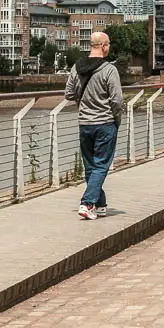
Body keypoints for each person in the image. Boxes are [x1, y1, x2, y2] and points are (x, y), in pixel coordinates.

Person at [63, 32, 124, 221]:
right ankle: (88, 202)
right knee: (101, 165)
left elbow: (69, 93)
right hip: (105, 122)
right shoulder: (109, 69)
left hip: (85, 123)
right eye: (109, 45)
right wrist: (117, 119)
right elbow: (117, 99)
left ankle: (100, 204)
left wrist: (85, 102)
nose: (109, 48)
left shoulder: (76, 67)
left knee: (91, 166)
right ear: (104, 46)